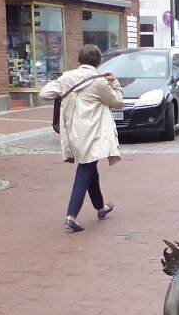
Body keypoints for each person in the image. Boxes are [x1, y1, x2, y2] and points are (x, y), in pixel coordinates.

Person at [42, 44, 123, 231]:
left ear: (78, 60)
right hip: (93, 134)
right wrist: (114, 83)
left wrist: (62, 93)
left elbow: (45, 93)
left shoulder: (67, 78)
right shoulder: (100, 82)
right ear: (99, 62)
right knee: (85, 169)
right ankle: (71, 216)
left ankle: (100, 207)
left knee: (90, 167)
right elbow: (117, 101)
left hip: (73, 133)